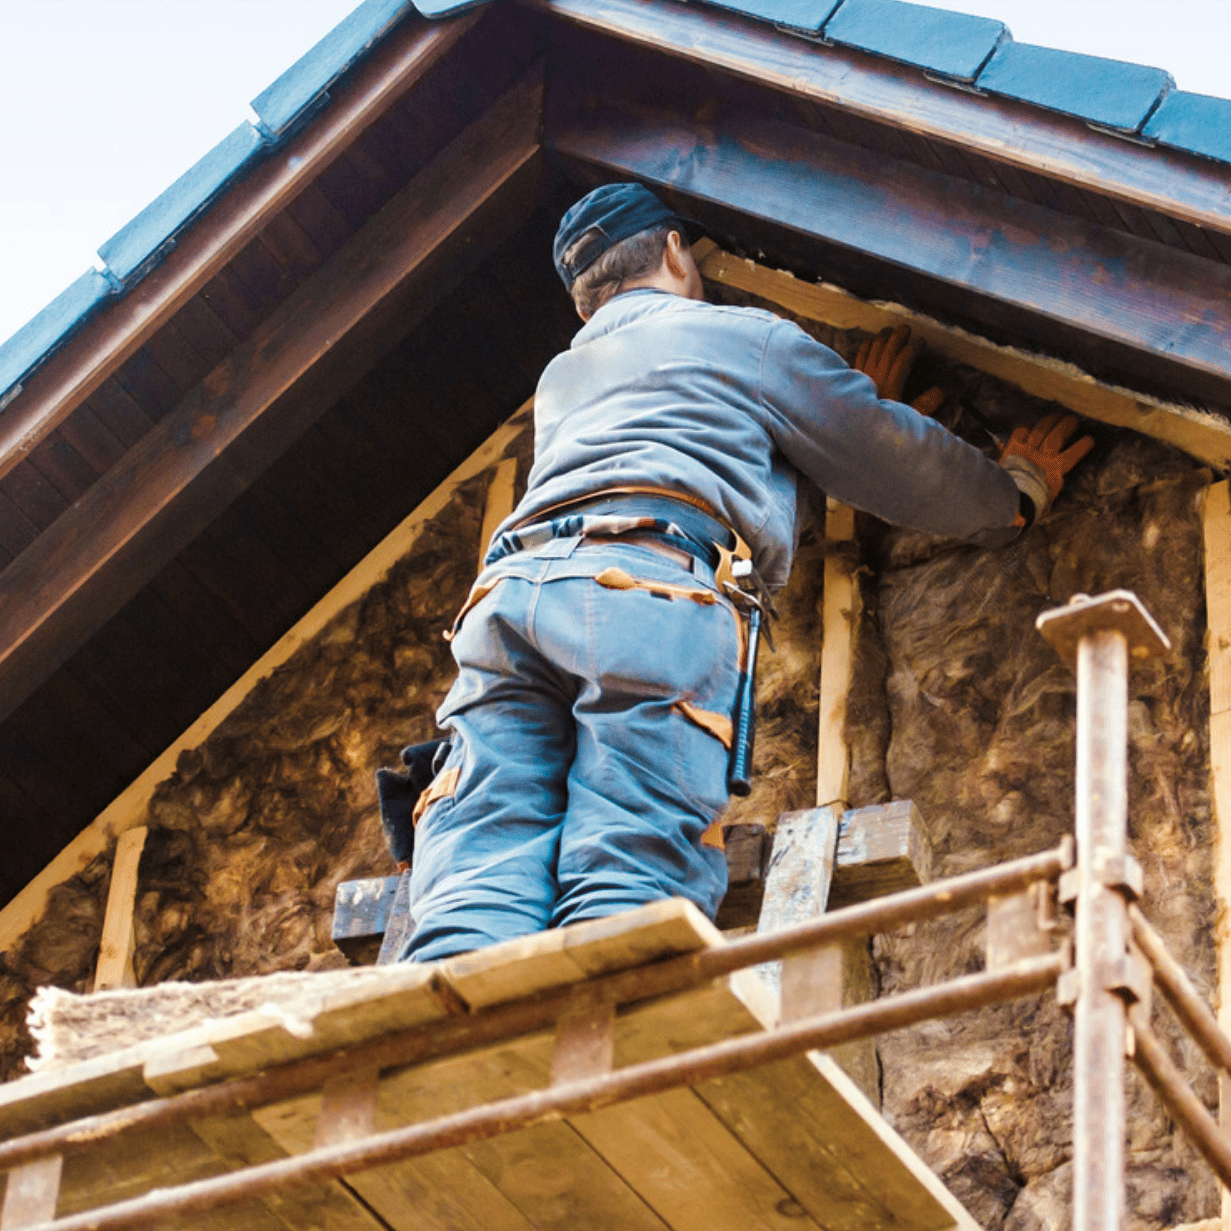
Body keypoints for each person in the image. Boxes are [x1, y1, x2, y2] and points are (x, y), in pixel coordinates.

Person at [401, 182, 1092, 961]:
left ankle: (448, 1046)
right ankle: (607, 1058)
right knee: (629, 858)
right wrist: (1014, 494)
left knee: (483, 852)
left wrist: (810, 440)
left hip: (507, 603)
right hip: (645, 593)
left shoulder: (563, 380)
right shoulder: (746, 338)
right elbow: (884, 455)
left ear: (585, 304)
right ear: (672, 249)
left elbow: (686, 458)